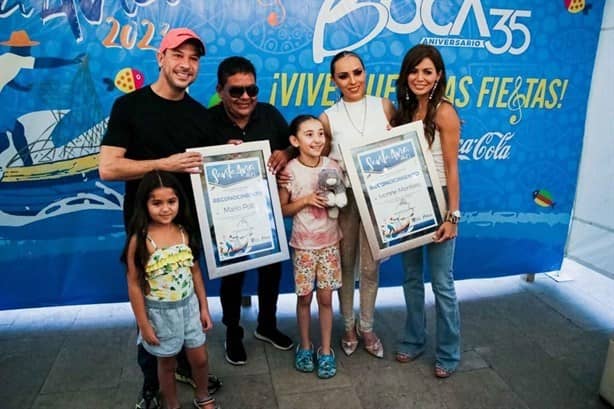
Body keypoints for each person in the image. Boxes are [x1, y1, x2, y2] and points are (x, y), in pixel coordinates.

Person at [99, 28, 220, 409]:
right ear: (161, 57)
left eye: (194, 58)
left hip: (187, 230)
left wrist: (235, 156)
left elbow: (209, 169)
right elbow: (108, 168)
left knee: (183, 295)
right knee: (149, 306)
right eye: (178, 55)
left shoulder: (201, 116)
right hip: (144, 231)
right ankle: (151, 384)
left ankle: (184, 366)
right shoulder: (129, 107)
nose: (186, 65)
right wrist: (163, 165)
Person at [206, 56, 293, 365]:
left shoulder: (270, 115)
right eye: (236, 91)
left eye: (251, 89)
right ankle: (232, 331)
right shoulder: (207, 122)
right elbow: (192, 167)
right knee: (232, 275)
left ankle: (267, 325)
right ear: (220, 90)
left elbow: (294, 146)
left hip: (267, 213)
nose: (245, 97)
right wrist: (216, 158)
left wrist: (285, 152)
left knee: (272, 270)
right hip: (227, 217)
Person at [319, 51, 395, 359]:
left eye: (357, 72)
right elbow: (318, 160)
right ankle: (347, 326)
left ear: (365, 72)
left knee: (370, 266)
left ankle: (367, 327)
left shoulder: (385, 106)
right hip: (346, 202)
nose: (353, 80)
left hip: (380, 199)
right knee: (345, 263)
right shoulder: (327, 117)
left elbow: (409, 143)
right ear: (333, 80)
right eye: (344, 75)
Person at [392, 44, 461, 378]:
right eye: (414, 71)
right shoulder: (403, 113)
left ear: (438, 76)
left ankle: (449, 352)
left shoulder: (444, 112)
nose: (419, 78)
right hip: (410, 197)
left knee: (442, 282)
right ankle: (414, 338)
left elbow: (451, 168)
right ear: (406, 75)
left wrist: (453, 216)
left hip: (440, 198)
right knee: (410, 277)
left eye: (427, 71)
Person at [122, 170, 218, 409]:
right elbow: (134, 283)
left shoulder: (185, 232)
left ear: (179, 201)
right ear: (145, 204)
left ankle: (203, 395)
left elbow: (195, 271)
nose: (165, 208)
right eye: (157, 203)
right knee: (166, 365)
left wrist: (204, 307)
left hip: (190, 308)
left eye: (171, 201)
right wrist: (143, 324)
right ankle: (172, 404)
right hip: (160, 314)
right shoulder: (140, 239)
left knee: (200, 358)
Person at [279, 115, 343, 379]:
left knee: (326, 298)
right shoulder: (289, 170)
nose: (316, 139)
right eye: (309, 134)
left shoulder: (332, 166)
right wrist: (306, 199)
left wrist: (335, 200)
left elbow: (341, 200)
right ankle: (305, 346)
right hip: (303, 246)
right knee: (304, 297)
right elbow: (283, 209)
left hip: (330, 244)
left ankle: (325, 349)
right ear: (294, 140)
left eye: (320, 134)